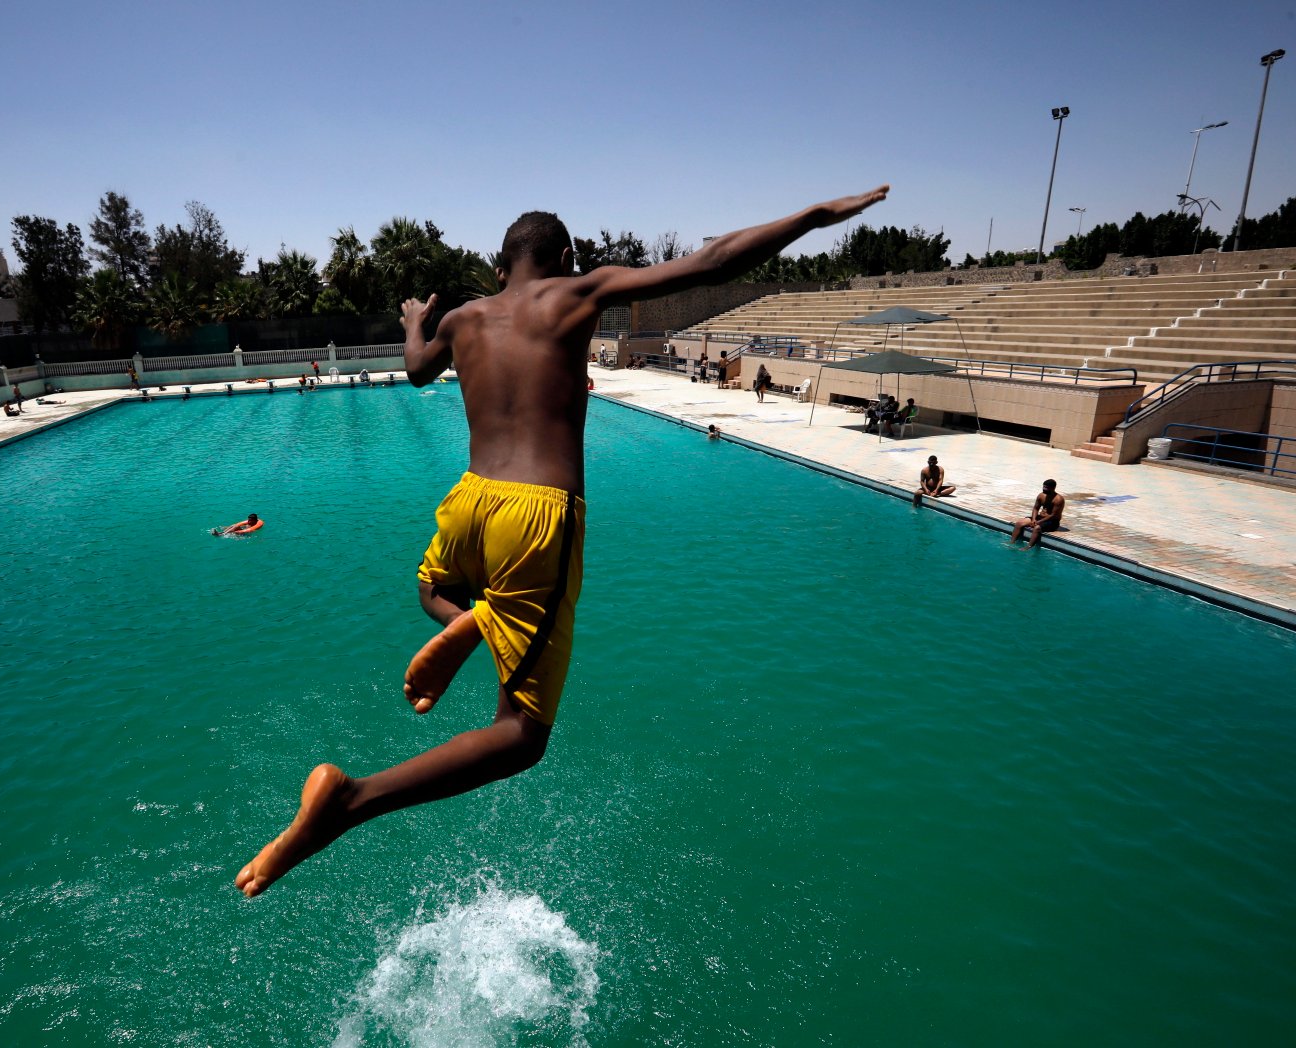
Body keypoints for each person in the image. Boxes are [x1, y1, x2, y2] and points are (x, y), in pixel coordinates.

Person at [234, 185, 891, 898]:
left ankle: (466, 622)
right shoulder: (580, 293)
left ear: (496, 268)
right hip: (537, 516)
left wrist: (418, 320)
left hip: (469, 504)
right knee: (521, 735)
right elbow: (712, 260)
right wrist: (813, 217)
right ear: (567, 259)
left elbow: (417, 369)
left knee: (431, 587)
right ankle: (352, 802)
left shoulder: (464, 317)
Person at [1009, 479, 1065, 547]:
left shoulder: (1058, 499)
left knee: (1037, 528)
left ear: (1053, 488)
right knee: (1019, 523)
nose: (1044, 489)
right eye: (1044, 487)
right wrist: (1033, 519)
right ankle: (1012, 542)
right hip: (1040, 518)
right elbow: (1036, 508)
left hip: (1052, 521)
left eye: (1046, 488)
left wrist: (1038, 522)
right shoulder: (1041, 495)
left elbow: (1053, 515)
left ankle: (1028, 546)